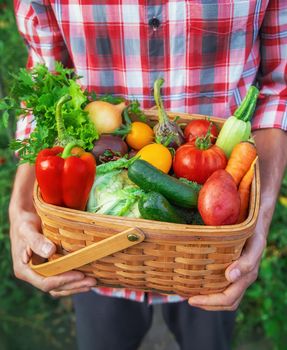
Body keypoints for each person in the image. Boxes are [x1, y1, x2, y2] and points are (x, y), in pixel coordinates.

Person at [9, 1, 287, 350]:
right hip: (92, 245)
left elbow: (280, 90)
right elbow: (43, 87)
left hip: (213, 252)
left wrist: (256, 224)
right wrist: (20, 207)